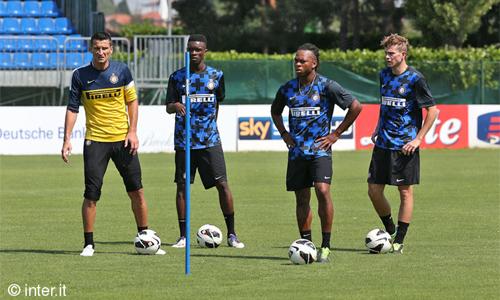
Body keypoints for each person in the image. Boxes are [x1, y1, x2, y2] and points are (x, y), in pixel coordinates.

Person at [61, 32, 165, 256]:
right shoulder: (80, 76)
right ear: (91, 49)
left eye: (105, 48)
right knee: (91, 195)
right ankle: (88, 244)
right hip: (96, 141)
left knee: (137, 191)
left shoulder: (122, 71)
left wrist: (133, 131)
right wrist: (67, 138)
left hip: (123, 140)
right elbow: (72, 108)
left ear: (111, 49)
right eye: (97, 48)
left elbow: (132, 101)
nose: (101, 52)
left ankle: (145, 237)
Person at [271, 43, 362, 263]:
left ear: (314, 63)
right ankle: (306, 243)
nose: (298, 64)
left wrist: (336, 134)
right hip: (297, 153)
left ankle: (326, 245)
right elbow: (275, 110)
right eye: (296, 60)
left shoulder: (327, 86)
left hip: (320, 151)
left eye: (303, 61)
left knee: (322, 191)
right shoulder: (288, 88)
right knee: (302, 198)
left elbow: (356, 106)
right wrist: (284, 133)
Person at [166, 34, 244, 249]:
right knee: (182, 187)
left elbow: (218, 102)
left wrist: (209, 126)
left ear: (205, 51)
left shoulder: (216, 76)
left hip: (210, 141)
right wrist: (176, 106)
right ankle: (183, 237)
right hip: (184, 143)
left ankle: (232, 234)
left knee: (222, 184)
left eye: (198, 49)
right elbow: (168, 106)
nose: (194, 53)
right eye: (190, 49)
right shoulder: (177, 77)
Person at [367, 33, 439, 254]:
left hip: (404, 146)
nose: (387, 57)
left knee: (405, 192)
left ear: (403, 55)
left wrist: (418, 139)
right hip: (383, 143)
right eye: (386, 53)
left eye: (391, 53)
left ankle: (400, 239)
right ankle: (390, 228)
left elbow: (433, 111)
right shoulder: (384, 75)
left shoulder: (415, 79)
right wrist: (378, 127)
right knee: (373, 190)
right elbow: (384, 104)